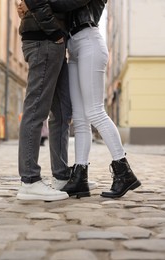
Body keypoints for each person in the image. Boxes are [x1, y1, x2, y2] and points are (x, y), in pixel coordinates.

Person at [16, 0, 96, 201]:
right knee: (36, 109)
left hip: (52, 39)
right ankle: (30, 180)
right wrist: (54, 32)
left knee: (62, 111)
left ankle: (61, 176)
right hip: (44, 38)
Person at [61, 0, 141, 198]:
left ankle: (124, 172)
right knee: (80, 119)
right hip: (73, 48)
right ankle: (80, 177)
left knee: (95, 111)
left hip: (89, 42)